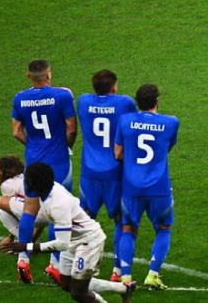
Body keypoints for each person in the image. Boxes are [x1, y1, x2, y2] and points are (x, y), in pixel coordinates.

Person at [0, 163, 136, 303]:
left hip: (88, 242)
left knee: (78, 292)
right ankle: (124, 289)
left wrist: (27, 246)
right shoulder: (47, 190)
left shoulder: (57, 205)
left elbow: (62, 245)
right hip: (73, 238)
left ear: (35, 183)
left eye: (27, 180)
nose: (25, 184)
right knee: (66, 284)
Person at [11, 59, 77, 283]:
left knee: (30, 209)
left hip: (33, 160)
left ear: (28, 76)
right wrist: (67, 145)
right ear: (48, 75)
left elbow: (16, 131)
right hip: (58, 161)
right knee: (56, 212)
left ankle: (22, 259)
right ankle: (54, 265)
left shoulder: (20, 98)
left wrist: (32, 146)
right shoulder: (63, 95)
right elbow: (71, 128)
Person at [114, 83, 179, 289]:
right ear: (157, 101)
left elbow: (118, 154)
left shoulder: (125, 121)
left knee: (127, 229)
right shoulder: (171, 122)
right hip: (159, 187)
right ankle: (152, 274)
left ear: (137, 102)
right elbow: (166, 148)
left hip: (131, 187)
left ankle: (125, 278)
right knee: (163, 228)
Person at [77, 70, 137, 282]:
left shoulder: (83, 101)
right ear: (114, 86)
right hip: (116, 172)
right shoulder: (125, 103)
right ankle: (117, 271)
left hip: (89, 173)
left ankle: (83, 267)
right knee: (121, 221)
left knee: (85, 220)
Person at [0, 155, 46, 248]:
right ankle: (29, 243)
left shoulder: (7, 185)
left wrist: (12, 237)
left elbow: (14, 211)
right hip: (52, 215)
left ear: (6, 172)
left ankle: (24, 243)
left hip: (38, 215)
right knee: (35, 204)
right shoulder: (25, 177)